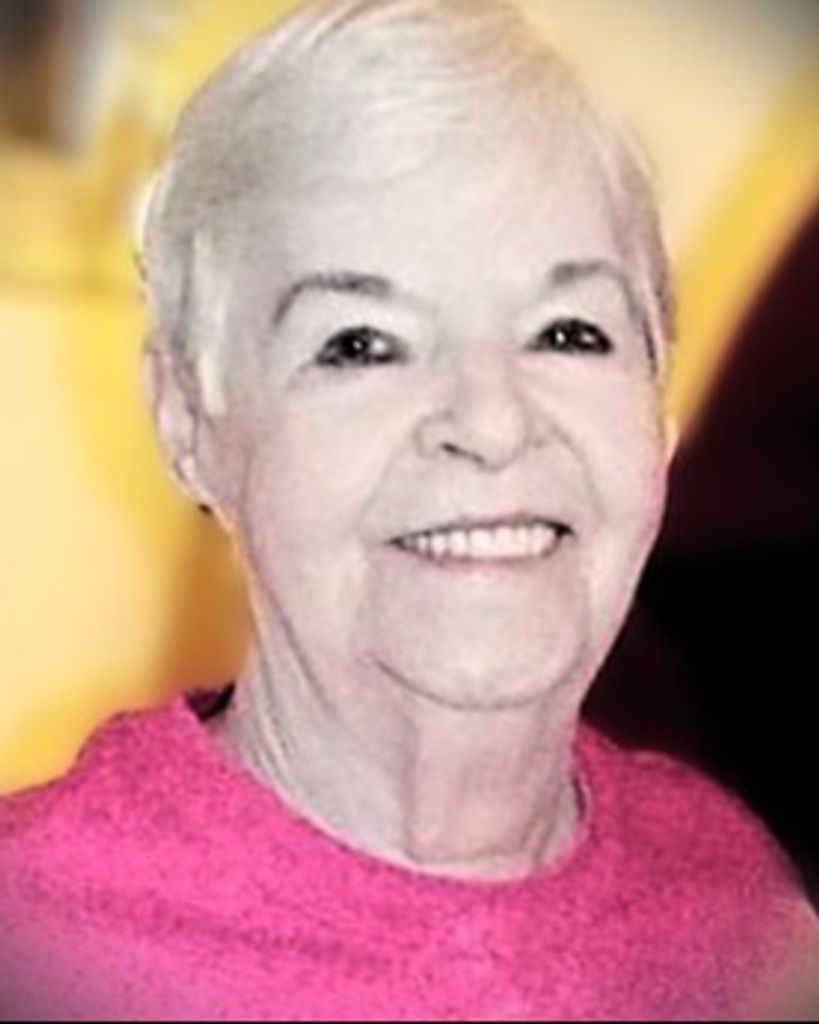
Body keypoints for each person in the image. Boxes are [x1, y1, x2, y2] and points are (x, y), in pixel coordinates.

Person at [1, 0, 816, 1018]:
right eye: (360, 344)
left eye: (568, 331)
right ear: (188, 422)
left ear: (657, 420)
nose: (490, 422)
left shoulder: (745, 916)